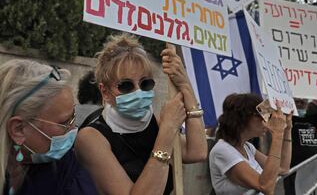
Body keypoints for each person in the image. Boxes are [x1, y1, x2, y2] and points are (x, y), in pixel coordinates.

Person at [75, 34, 207, 194]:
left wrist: (185, 85)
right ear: (105, 91)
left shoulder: (152, 122)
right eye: (125, 86)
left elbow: (196, 151)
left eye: (145, 83)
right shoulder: (91, 137)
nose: (138, 91)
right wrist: (167, 132)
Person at [0, 59, 97, 195]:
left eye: (73, 116)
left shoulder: (63, 164)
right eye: (64, 123)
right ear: (18, 129)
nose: (73, 128)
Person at [209, 93, 292, 195]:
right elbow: (266, 186)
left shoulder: (248, 147)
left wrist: (287, 129)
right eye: (263, 116)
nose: (267, 121)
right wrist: (278, 134)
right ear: (244, 118)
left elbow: (283, 169)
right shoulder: (222, 150)